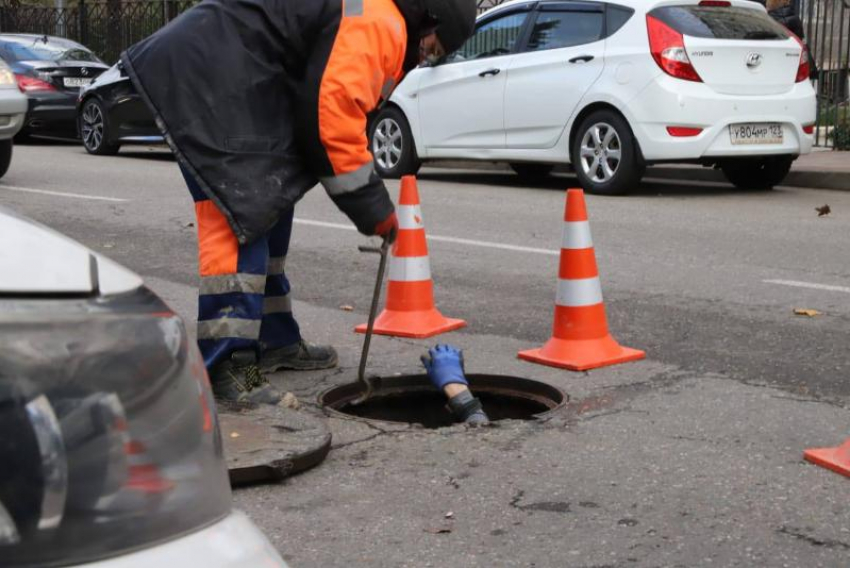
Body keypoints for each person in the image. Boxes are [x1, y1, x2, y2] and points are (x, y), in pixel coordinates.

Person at [120, 0, 476, 404]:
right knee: (243, 216)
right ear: (430, 19)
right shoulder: (380, 22)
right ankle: (232, 368)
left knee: (271, 206)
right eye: (432, 48)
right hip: (211, 84)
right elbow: (333, 120)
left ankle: (275, 339)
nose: (425, 57)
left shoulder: (376, 13)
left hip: (228, 77)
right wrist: (373, 208)